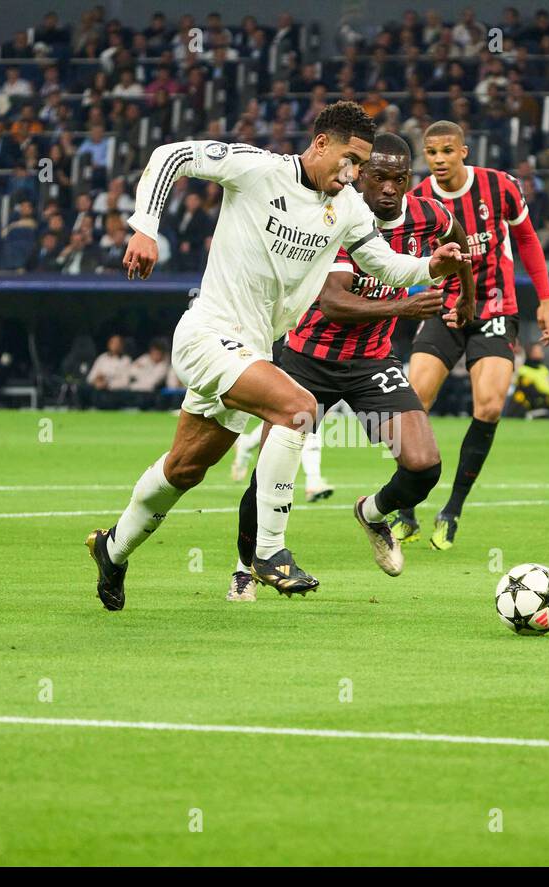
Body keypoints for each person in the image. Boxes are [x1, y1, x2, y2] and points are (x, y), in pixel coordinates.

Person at [85, 102, 467, 610]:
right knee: (298, 408)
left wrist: (429, 265)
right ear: (322, 144)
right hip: (209, 333)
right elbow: (171, 155)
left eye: (362, 165)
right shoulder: (259, 169)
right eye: (350, 161)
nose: (354, 174)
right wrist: (145, 228)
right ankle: (268, 552)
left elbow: (384, 264)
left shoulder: (347, 207)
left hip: (253, 350)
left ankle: (113, 549)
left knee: (184, 469)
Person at [227, 132, 474, 600]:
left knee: (423, 466)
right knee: (268, 473)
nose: (387, 188)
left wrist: (467, 299)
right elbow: (336, 302)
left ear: (408, 181)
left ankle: (374, 513)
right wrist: (403, 310)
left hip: (372, 363)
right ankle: (245, 566)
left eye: (398, 179)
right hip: (309, 361)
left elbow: (457, 241)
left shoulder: (428, 214)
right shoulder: (336, 217)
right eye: (378, 176)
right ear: (360, 174)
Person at [393, 120, 549, 551]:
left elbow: (527, 240)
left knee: (488, 404)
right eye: (432, 153)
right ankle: (407, 507)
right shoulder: (418, 201)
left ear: (464, 151)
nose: (440, 159)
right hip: (445, 308)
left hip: (495, 308)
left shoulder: (500, 186)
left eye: (448, 150)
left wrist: (546, 299)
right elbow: (401, 261)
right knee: (414, 399)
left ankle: (452, 510)